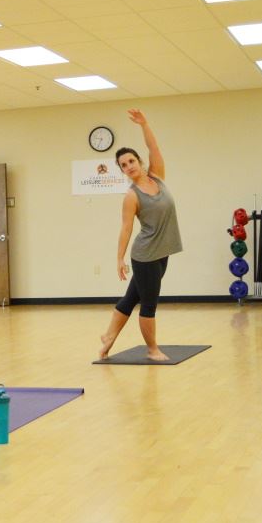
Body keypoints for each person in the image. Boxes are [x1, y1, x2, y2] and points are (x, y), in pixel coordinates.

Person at [99, 109, 182, 361]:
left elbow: (153, 146)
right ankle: (152, 349)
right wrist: (119, 259)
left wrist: (144, 124)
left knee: (131, 297)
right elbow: (126, 228)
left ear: (140, 162)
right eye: (123, 165)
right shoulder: (131, 196)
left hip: (161, 252)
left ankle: (108, 337)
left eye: (131, 161)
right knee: (148, 304)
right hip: (145, 255)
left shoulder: (158, 177)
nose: (128, 167)